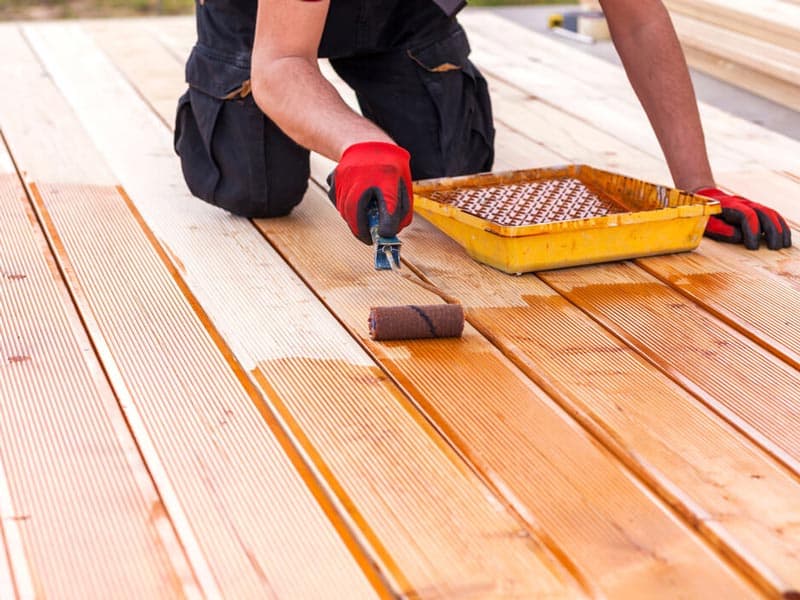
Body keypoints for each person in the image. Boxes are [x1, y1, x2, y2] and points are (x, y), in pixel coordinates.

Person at [174, 0, 792, 251]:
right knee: (256, 191)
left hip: (401, 14)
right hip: (265, 23)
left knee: (450, 179)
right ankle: (219, 79)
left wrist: (698, 186)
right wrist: (359, 143)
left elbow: (639, 21)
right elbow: (283, 62)